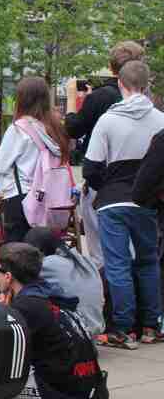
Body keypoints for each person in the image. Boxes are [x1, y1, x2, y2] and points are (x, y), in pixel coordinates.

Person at [83, 60, 164, 348]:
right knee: (148, 261)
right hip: (147, 201)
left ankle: (123, 327)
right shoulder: (159, 120)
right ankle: (151, 325)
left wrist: (104, 187)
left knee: (117, 264)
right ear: (147, 84)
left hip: (113, 200)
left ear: (120, 84)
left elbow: (91, 167)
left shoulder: (108, 120)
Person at [0, 243, 107, 399]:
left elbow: (3, 353)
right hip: (85, 388)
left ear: (8, 277)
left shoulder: (26, 306)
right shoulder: (52, 292)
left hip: (59, 398)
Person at [68, 41, 146, 267]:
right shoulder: (149, 107)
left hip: (104, 183)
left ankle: (107, 296)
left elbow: (74, 129)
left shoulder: (102, 99)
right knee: (135, 252)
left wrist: (72, 99)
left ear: (112, 68)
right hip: (139, 183)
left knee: (103, 251)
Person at [0, 77, 72, 243]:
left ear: (22, 99)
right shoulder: (54, 129)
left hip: (21, 198)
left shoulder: (19, 129)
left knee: (19, 256)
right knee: (46, 251)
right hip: (52, 200)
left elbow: (0, 165)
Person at [24, 227, 106, 337]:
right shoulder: (85, 260)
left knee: (27, 294)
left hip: (75, 332)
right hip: (94, 327)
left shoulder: (46, 264)